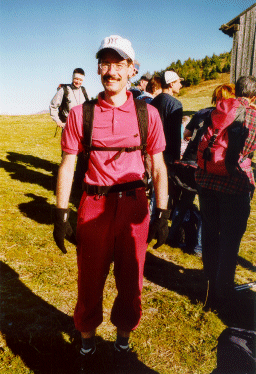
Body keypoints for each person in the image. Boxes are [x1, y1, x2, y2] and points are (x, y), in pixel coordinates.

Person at [52, 35, 169, 373]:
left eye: (119, 64)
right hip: (93, 204)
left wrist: (162, 212)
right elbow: (68, 164)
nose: (111, 71)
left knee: (131, 282)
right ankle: (87, 346)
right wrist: (60, 214)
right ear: (98, 68)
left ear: (133, 69)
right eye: (105, 63)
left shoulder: (148, 114)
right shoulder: (80, 114)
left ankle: (122, 344)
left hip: (134, 207)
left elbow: (158, 165)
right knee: (89, 280)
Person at [195, 76, 256, 310]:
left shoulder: (218, 111)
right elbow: (247, 149)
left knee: (210, 234)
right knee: (230, 241)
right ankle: (223, 295)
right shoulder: (252, 116)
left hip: (207, 180)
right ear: (253, 96)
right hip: (234, 185)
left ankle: (209, 289)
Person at [50, 68, 90, 190]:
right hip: (68, 126)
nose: (77, 81)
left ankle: (78, 184)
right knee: (67, 156)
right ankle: (63, 183)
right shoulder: (64, 90)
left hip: (82, 128)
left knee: (82, 156)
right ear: (72, 78)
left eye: (80, 79)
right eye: (76, 79)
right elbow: (53, 105)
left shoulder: (83, 90)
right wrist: (57, 120)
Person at [150, 71, 183, 217]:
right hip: (168, 153)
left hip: (153, 151)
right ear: (171, 84)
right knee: (165, 187)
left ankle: (150, 219)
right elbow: (176, 134)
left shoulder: (153, 102)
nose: (180, 85)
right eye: (178, 82)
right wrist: (177, 156)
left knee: (153, 187)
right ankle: (160, 219)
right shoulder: (175, 104)